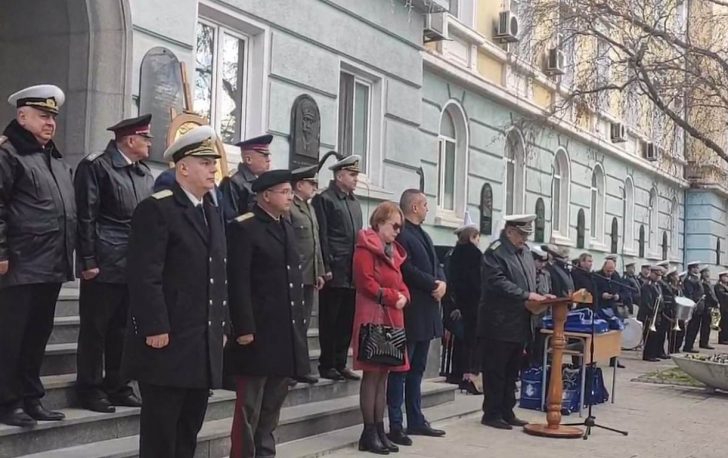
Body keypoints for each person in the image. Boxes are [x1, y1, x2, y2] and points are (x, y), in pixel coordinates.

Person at [121, 126, 228, 458]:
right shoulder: (158, 209)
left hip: (200, 339)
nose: (213, 169)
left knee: (188, 428)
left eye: (214, 162)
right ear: (183, 167)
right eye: (205, 163)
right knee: (161, 432)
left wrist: (221, 324)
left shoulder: (210, 210)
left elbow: (217, 276)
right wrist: (154, 326)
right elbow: (144, 275)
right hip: (168, 340)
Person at [0, 85, 75, 427]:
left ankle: (31, 396)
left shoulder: (53, 159)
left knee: (36, 337)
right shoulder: (8, 154)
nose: (50, 123)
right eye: (43, 116)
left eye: (53, 117)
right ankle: (8, 401)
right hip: (19, 262)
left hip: (50, 262)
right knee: (11, 337)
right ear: (22, 117)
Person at [225, 169, 310, 458]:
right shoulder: (245, 227)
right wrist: (244, 327)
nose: (290, 197)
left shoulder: (284, 225)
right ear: (265, 196)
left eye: (290, 192)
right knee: (249, 404)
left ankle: (265, 452)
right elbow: (238, 282)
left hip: (283, 331)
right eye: (284, 192)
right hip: (258, 330)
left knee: (273, 402)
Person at [73, 114, 154, 413]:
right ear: (130, 140)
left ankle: (118, 384)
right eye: (145, 138)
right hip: (105, 260)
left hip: (133, 263)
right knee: (95, 329)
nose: (150, 144)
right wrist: (88, 259)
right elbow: (86, 216)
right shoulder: (97, 166)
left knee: (123, 328)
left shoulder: (144, 173)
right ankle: (90, 388)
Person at [386, 189, 447, 443]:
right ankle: (396, 423)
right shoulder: (403, 234)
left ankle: (416, 419)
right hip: (411, 312)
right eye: (424, 204)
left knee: (418, 369)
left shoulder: (423, 233)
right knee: (401, 370)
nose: (427, 209)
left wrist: (442, 282)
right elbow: (407, 269)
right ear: (414, 207)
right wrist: (433, 284)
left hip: (427, 312)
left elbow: (436, 264)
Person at [351, 202, 410, 455]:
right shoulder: (366, 248)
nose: (398, 231)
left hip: (391, 317)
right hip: (372, 315)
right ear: (380, 222)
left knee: (384, 374)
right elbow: (365, 282)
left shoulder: (393, 251)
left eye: (400, 227)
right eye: (394, 225)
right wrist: (392, 296)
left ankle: (379, 429)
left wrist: (405, 295)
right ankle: (368, 432)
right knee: (372, 374)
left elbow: (400, 281)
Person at [479, 214, 545, 430]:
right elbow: (497, 282)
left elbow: (531, 281)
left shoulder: (524, 252)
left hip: (521, 321)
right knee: (496, 370)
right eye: (521, 234)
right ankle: (492, 413)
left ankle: (507, 411)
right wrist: (526, 295)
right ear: (509, 231)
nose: (524, 239)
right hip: (498, 322)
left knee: (512, 371)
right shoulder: (495, 252)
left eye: (527, 235)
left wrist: (541, 296)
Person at [312, 155, 364, 381]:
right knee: (330, 319)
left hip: (352, 269)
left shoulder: (354, 202)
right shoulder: (325, 199)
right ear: (340, 176)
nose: (356, 179)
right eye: (352, 175)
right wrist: (325, 265)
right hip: (335, 267)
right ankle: (327, 364)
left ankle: (341, 362)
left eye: (356, 175)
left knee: (346, 320)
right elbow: (322, 235)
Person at [287, 165, 327, 385]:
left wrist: (319, 271)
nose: (314, 187)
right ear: (299, 184)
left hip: (309, 275)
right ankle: (290, 369)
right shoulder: (290, 208)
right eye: (311, 183)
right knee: (292, 323)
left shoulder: (309, 208)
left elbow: (316, 243)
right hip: (295, 274)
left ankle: (300, 368)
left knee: (302, 323)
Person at [447, 214, 482, 395]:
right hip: (473, 305)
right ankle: (470, 377)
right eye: (477, 237)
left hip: (457, 305)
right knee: (472, 344)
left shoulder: (453, 254)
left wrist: (455, 305)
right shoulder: (476, 255)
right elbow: (478, 282)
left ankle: (457, 374)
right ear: (472, 237)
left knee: (460, 343)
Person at [220, 134, 273, 221]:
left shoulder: (263, 181)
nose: (268, 160)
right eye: (264, 155)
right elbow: (230, 219)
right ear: (248, 159)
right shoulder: (234, 182)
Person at [528, 247, 551, 367]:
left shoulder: (545, 274)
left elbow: (548, 289)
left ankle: (538, 366)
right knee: (529, 344)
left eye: (544, 262)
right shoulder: (528, 273)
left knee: (540, 343)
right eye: (539, 261)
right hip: (530, 312)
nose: (542, 264)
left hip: (542, 314)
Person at [641, 266, 666, 362]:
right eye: (656, 275)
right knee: (650, 335)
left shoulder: (657, 285)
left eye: (659, 275)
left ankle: (654, 353)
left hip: (657, 313)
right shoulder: (647, 285)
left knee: (656, 335)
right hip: (649, 314)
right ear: (651, 273)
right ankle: (648, 355)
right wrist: (652, 311)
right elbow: (647, 301)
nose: (658, 277)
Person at [683, 261, 706, 353]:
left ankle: (690, 345)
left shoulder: (695, 278)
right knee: (692, 327)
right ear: (692, 269)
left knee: (696, 327)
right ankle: (688, 346)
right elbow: (690, 294)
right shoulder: (689, 279)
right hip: (695, 306)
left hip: (699, 306)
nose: (698, 269)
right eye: (696, 267)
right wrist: (693, 305)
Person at [663, 269, 685, 354]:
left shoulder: (679, 287)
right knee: (672, 332)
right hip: (671, 311)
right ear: (671, 277)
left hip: (680, 311)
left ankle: (677, 348)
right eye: (676, 275)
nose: (678, 277)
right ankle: (672, 349)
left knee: (681, 332)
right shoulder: (668, 287)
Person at [714, 271, 728, 345]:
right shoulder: (718, 285)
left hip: (726, 307)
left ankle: (726, 338)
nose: (727, 278)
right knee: (723, 323)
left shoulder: (726, 285)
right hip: (722, 307)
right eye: (725, 276)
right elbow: (722, 294)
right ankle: (722, 339)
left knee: (726, 324)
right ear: (721, 277)